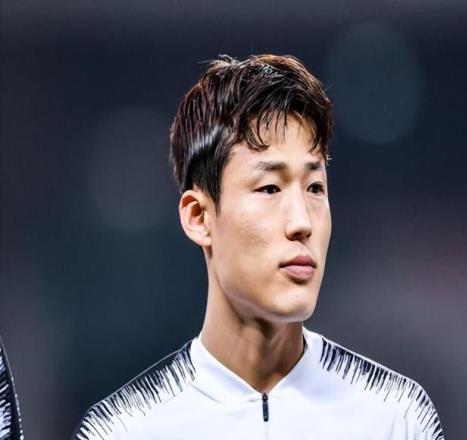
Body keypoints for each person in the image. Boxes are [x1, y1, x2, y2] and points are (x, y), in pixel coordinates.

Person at [72, 54, 444, 439]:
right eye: (270, 189)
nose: (302, 222)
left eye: (315, 188)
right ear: (199, 217)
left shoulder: (397, 417)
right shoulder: (122, 429)